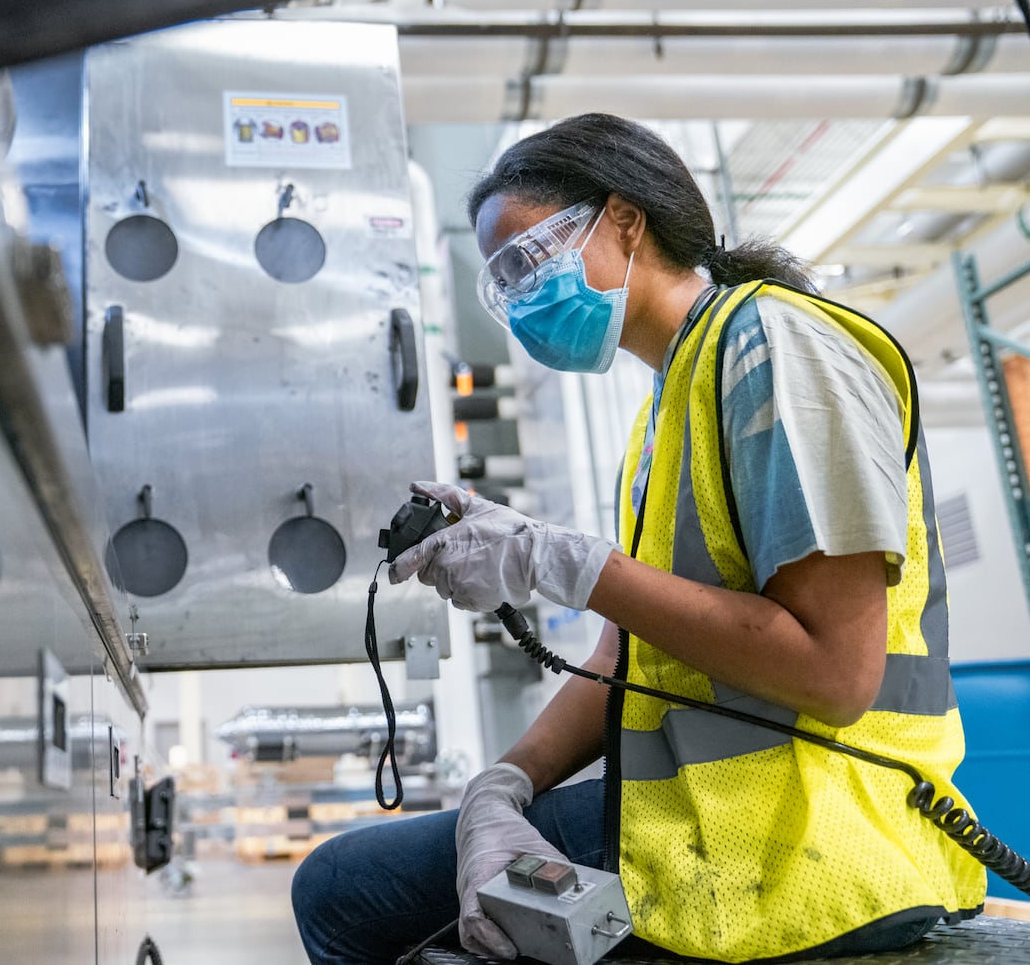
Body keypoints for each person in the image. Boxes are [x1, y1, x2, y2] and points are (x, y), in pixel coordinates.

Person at [291, 113, 985, 964]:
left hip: (816, 835)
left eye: (526, 260)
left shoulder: (776, 348)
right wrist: (503, 788)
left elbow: (835, 675)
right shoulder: (667, 409)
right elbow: (632, 654)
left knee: (339, 891)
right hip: (724, 827)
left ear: (624, 220)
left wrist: (560, 561)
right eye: (498, 283)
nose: (515, 299)